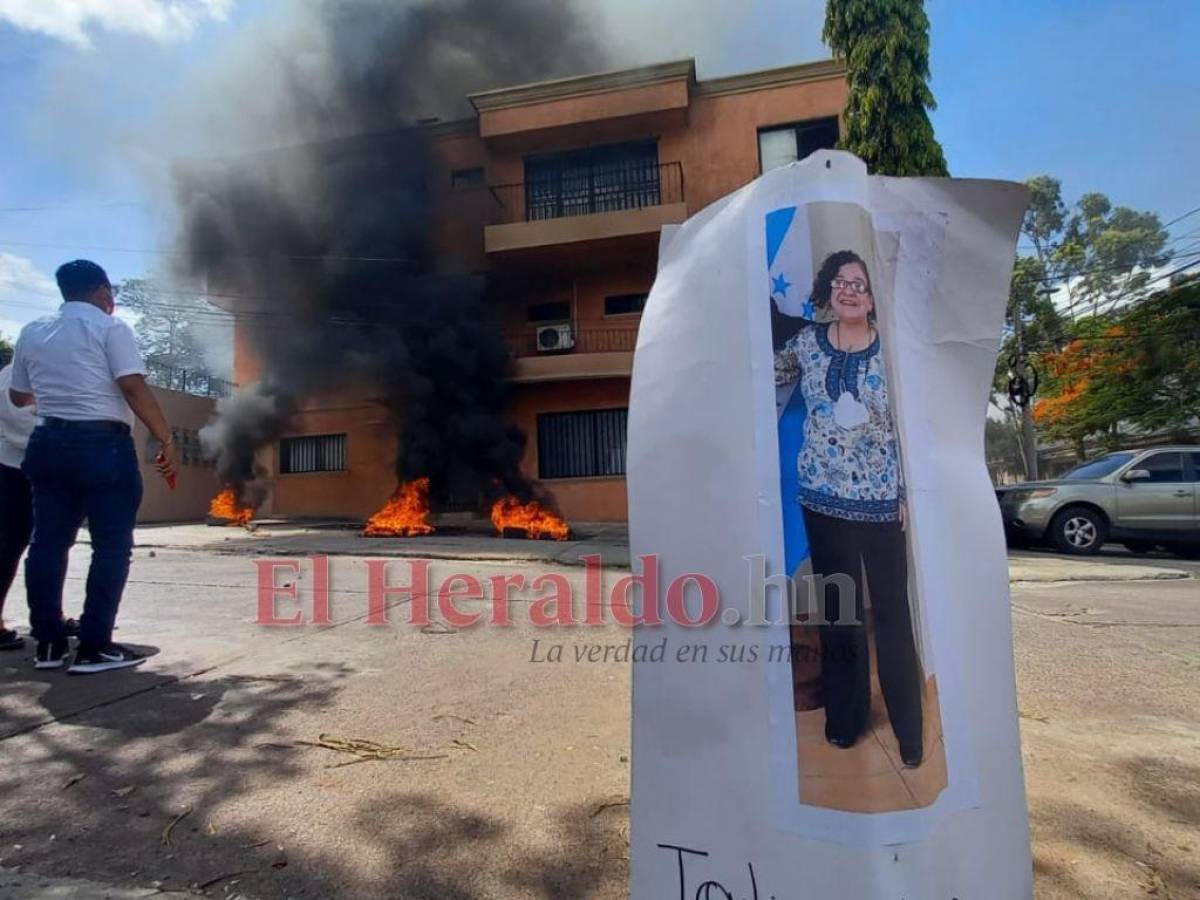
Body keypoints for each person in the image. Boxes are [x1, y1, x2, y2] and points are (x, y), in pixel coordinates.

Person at [774, 249, 924, 767]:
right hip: (821, 496)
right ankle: (845, 720)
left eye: (859, 282)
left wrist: (906, 491)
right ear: (826, 290)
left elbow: (910, 425)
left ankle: (910, 731)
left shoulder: (893, 352)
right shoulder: (808, 345)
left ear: (873, 294)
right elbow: (760, 374)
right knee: (840, 614)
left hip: (883, 502)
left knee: (892, 614)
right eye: (840, 282)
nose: (849, 290)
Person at [9, 260, 178, 674]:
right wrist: (166, 438)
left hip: (47, 444)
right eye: (112, 295)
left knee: (47, 543)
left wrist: (58, 395)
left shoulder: (33, 331)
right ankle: (94, 646)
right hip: (102, 445)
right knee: (111, 546)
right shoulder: (111, 328)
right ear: (103, 292)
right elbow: (133, 386)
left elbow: (18, 397)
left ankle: (48, 644)